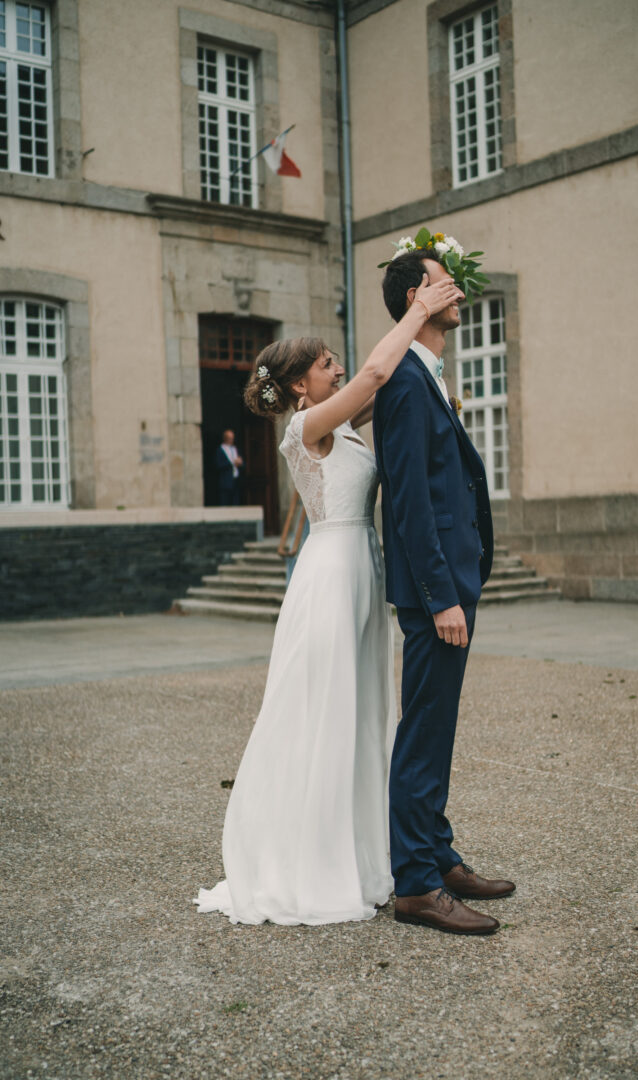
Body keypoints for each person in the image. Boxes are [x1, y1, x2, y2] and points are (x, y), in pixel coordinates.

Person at [194, 271, 463, 926]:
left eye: (335, 362)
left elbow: (389, 379)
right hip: (329, 579)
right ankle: (312, 865)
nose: (337, 368)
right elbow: (374, 374)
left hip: (361, 576)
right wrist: (419, 307)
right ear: (297, 386)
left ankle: (362, 851)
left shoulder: (340, 423)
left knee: (360, 713)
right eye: (325, 363)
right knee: (324, 715)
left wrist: (429, 361)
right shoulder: (306, 426)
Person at [373, 249, 516, 936]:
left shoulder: (423, 373)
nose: (455, 289)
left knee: (438, 729)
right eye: (441, 281)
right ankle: (416, 886)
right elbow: (408, 501)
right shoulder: (402, 382)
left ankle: (439, 855)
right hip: (438, 593)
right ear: (414, 300)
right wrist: (440, 595)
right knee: (422, 735)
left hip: (455, 580)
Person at [215, 430, 244, 506]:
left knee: (236, 503)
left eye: (232, 438)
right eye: (230, 438)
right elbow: (218, 465)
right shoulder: (220, 450)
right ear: (225, 439)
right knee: (225, 503)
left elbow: (241, 462)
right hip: (225, 482)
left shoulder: (235, 449)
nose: (232, 440)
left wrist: (240, 462)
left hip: (235, 480)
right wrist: (232, 462)